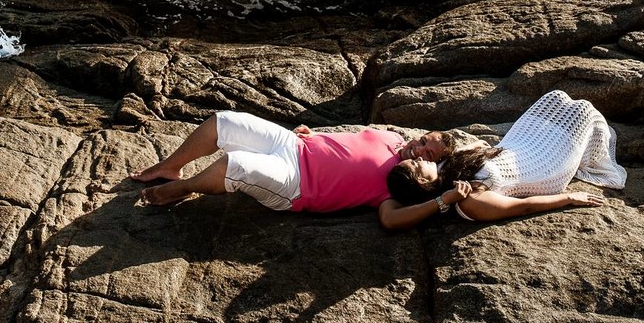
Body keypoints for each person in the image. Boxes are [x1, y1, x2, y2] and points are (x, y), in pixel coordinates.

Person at [130, 111, 472, 222]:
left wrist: (444, 201)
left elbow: (391, 219)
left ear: (432, 165)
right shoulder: (389, 135)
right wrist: (316, 132)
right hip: (292, 144)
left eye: (429, 153)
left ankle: (181, 188)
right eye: (425, 139)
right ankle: (169, 167)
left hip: (295, 184)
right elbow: (350, 138)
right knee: (225, 121)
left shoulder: (402, 181)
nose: (421, 147)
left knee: (235, 165)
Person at [382, 90, 627, 226]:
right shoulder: (468, 200)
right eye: (416, 165)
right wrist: (569, 198)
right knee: (583, 109)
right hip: (544, 168)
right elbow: (523, 206)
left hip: (515, 147)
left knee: (558, 97)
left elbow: (470, 146)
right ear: (422, 182)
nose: (420, 160)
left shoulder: (443, 166)